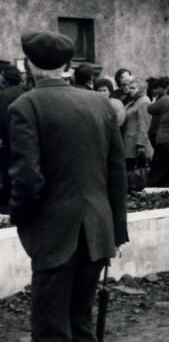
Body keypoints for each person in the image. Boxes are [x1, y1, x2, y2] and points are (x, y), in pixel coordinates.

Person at [8, 31, 128, 341]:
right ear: (67, 66)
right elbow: (117, 172)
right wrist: (116, 230)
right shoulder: (100, 103)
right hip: (97, 230)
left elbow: (28, 178)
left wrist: (19, 217)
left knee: (50, 329)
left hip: (54, 235)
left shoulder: (26, 105)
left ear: (28, 65)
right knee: (81, 323)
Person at [0, 63, 26, 214]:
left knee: (9, 178)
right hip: (25, 141)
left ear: (5, 77)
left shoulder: (4, 95)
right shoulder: (25, 92)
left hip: (10, 143)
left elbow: (2, 123)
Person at [121, 77, 153, 172]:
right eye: (130, 88)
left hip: (135, 145)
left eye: (133, 88)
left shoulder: (143, 101)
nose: (130, 90)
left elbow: (145, 124)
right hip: (130, 144)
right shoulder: (135, 100)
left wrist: (141, 145)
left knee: (136, 173)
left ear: (141, 89)